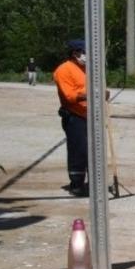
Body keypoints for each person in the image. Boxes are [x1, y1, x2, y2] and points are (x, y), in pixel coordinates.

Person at [53, 40, 88, 196]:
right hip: (75, 116)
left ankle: (94, 182)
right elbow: (69, 96)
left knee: (92, 150)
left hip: (91, 115)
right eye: (85, 52)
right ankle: (76, 184)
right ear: (76, 53)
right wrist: (90, 95)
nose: (87, 56)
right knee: (78, 150)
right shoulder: (64, 70)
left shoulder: (86, 69)